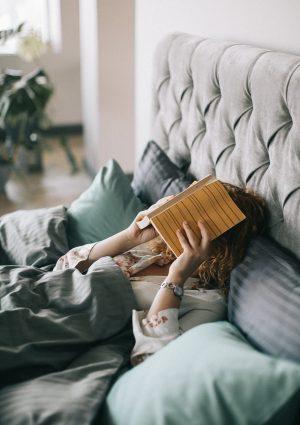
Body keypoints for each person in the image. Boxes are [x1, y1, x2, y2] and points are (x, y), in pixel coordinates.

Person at [55, 182, 267, 365]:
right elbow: (64, 265)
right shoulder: (154, 249)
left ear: (223, 243)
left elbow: (151, 355)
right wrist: (130, 237)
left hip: (68, 326)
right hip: (48, 292)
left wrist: (177, 276)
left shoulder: (208, 302)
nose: (183, 219)